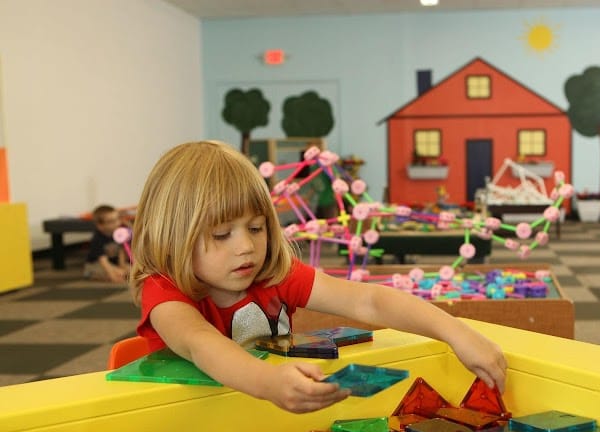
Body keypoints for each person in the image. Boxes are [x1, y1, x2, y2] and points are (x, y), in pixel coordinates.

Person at [130, 141, 507, 414]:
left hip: (264, 418)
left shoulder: (273, 274)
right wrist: (269, 383)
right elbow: (201, 344)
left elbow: (369, 301)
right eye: (221, 234)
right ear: (173, 236)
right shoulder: (163, 291)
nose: (245, 247)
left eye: (256, 228)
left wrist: (456, 332)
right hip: (186, 424)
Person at [84, 204, 130, 283]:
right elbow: (103, 261)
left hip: (112, 263)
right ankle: (90, 274)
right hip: (97, 264)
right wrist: (112, 276)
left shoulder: (118, 233)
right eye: (111, 221)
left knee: (131, 270)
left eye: (117, 219)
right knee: (118, 273)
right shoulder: (97, 239)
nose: (117, 223)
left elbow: (121, 252)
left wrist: (123, 267)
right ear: (100, 226)